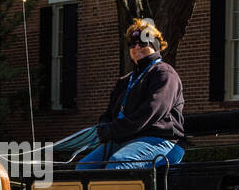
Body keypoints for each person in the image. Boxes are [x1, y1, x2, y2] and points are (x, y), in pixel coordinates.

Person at [76, 17, 185, 169]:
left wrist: (113, 129)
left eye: (142, 42)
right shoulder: (125, 80)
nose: (136, 47)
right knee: (83, 167)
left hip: (159, 140)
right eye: (132, 44)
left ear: (155, 45)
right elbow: (109, 114)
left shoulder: (164, 73)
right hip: (123, 140)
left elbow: (151, 111)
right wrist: (104, 127)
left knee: (117, 163)